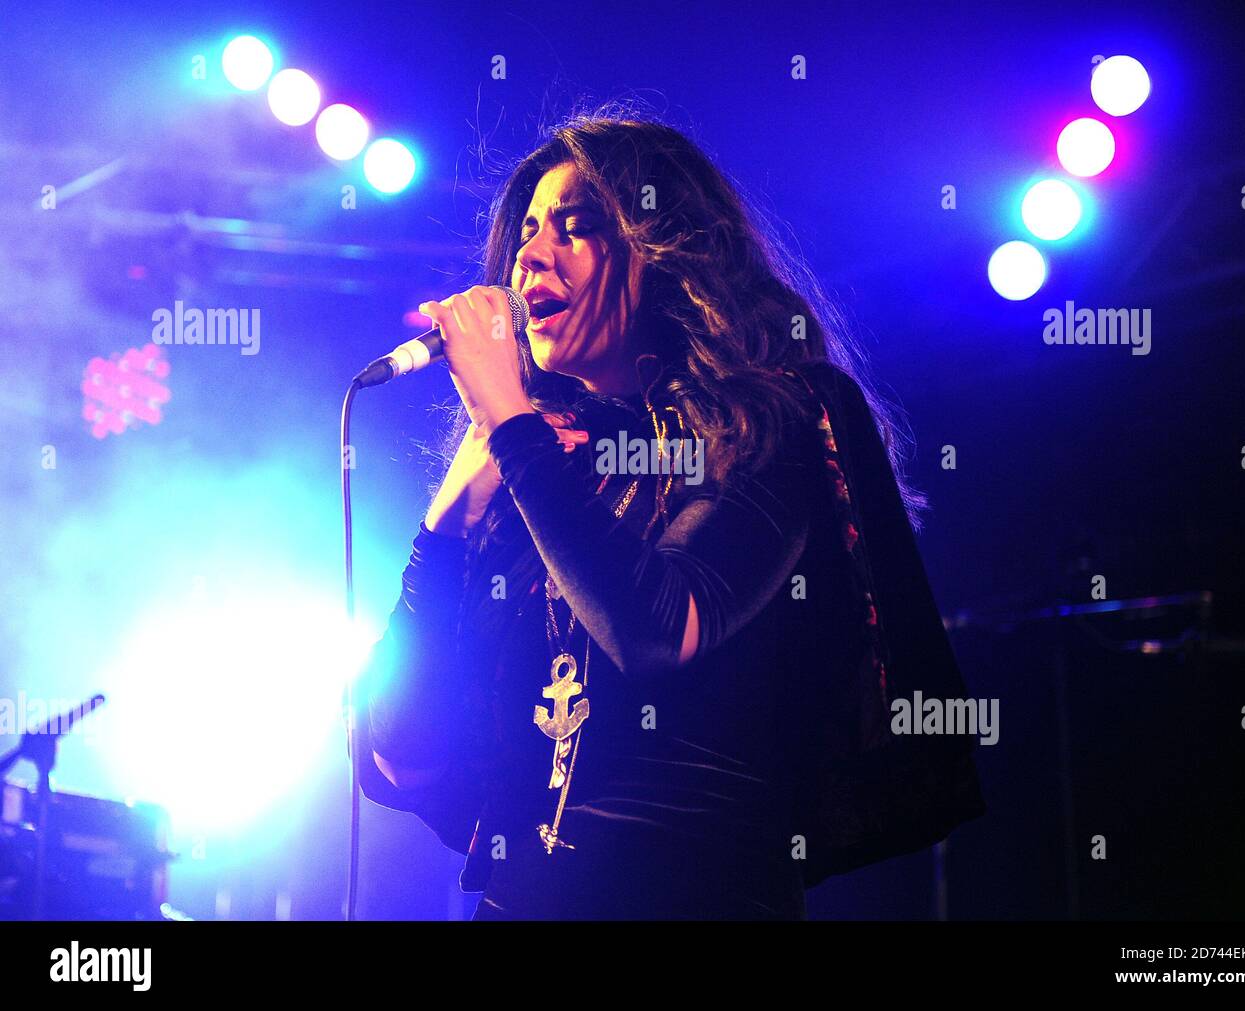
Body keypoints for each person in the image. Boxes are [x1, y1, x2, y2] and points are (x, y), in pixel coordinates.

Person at [353, 111, 985, 920]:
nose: (531, 255)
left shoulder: (774, 418)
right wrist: (446, 521)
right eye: (529, 233)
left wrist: (512, 428)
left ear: (665, 254)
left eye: (575, 230)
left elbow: (658, 626)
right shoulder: (543, 461)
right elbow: (403, 753)